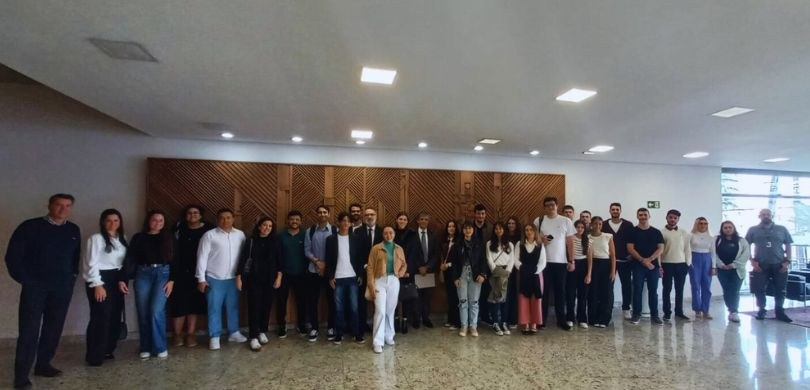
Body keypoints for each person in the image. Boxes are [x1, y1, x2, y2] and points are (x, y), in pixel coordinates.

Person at [6, 194, 81, 389]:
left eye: (67, 206)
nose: (63, 209)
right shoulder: (29, 227)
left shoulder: (73, 230)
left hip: (62, 288)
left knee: (53, 327)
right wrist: (26, 281)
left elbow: (75, 259)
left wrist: (71, 278)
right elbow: (12, 257)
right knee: (29, 330)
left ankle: (43, 364)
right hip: (35, 287)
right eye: (58, 205)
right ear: (49, 206)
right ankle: (21, 375)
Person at [120, 210, 174, 360]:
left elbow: (176, 259)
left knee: (156, 310)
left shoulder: (169, 237)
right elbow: (130, 259)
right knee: (143, 312)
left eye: (161, 220)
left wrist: (172, 280)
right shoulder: (138, 238)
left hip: (163, 274)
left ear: (164, 223)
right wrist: (124, 279)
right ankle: (145, 346)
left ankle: (160, 346)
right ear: (148, 221)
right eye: (154, 220)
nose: (157, 223)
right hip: (142, 274)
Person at [196, 208, 247, 350]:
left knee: (233, 307)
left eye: (229, 217)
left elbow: (244, 257)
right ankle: (215, 336)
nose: (226, 220)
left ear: (233, 219)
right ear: (218, 220)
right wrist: (201, 279)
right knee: (214, 308)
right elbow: (202, 257)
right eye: (222, 218)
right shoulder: (209, 235)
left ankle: (234, 332)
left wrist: (242, 276)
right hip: (214, 278)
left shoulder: (240, 235)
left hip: (234, 278)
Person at [82, 209, 127, 366]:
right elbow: (90, 263)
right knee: (101, 316)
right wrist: (97, 285)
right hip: (100, 279)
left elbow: (123, 263)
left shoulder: (122, 239)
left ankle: (108, 350)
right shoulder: (96, 239)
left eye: (116, 220)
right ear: (102, 221)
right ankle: (94, 356)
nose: (112, 223)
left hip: (117, 280)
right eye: (109, 220)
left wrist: (122, 280)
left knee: (115, 315)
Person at [236, 216, 282, 351]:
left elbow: (280, 261)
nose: (267, 228)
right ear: (259, 226)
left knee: (266, 306)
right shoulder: (251, 241)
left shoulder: (275, 241)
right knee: (254, 307)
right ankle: (253, 336)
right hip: (253, 279)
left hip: (270, 279)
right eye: (264, 225)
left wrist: (279, 277)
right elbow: (243, 259)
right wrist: (239, 277)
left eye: (270, 226)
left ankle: (262, 331)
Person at [169, 205, 213, 348]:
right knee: (179, 303)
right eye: (189, 213)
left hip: (199, 273)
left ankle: (191, 333)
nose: (192, 215)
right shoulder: (178, 228)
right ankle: (177, 334)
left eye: (196, 213)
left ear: (201, 215)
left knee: (194, 304)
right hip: (179, 272)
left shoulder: (208, 230)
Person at [746, 209, 794, 322]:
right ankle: (762, 310)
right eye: (763, 214)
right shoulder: (753, 230)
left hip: (779, 264)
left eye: (768, 214)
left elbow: (788, 245)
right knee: (759, 289)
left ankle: (779, 311)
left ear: (772, 216)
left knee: (781, 289)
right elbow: (745, 246)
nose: (766, 216)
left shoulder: (781, 229)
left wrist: (788, 261)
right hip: (760, 264)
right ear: (759, 216)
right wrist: (752, 261)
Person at [324, 212, 365, 344]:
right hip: (338, 278)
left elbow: (360, 258)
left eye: (348, 221)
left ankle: (356, 333)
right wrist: (330, 277)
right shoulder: (331, 239)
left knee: (354, 307)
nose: (346, 223)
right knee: (338, 308)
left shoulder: (356, 238)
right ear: (339, 222)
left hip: (353, 277)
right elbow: (328, 260)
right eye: (343, 221)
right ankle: (339, 333)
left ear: (351, 224)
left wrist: (360, 274)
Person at [536, 197, 575, 331]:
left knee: (560, 292)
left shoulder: (566, 221)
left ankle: (561, 320)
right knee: (544, 292)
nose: (550, 207)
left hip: (561, 262)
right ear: (544, 207)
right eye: (547, 205)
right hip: (543, 263)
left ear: (557, 205)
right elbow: (533, 239)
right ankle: (541, 320)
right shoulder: (539, 220)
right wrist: (541, 239)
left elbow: (570, 242)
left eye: (552, 205)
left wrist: (571, 260)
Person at [366, 226, 407, 353]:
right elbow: (370, 268)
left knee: (390, 310)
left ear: (394, 234)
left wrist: (399, 274)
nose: (388, 235)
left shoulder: (399, 248)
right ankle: (377, 341)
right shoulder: (376, 248)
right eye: (385, 233)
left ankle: (388, 336)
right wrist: (371, 284)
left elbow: (404, 264)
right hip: (379, 281)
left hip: (394, 281)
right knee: (380, 311)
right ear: (382, 235)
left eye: (390, 233)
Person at [448, 221, 488, 337]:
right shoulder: (457, 245)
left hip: (475, 274)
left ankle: (473, 326)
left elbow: (483, 261)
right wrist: (455, 278)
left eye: (470, 228)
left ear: (473, 230)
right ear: (463, 230)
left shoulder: (479, 244)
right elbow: (454, 263)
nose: (468, 230)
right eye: (465, 228)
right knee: (463, 301)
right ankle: (464, 326)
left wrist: (482, 274)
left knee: (474, 302)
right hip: (462, 274)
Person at [303, 205, 337, 341]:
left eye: (325, 212)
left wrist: (326, 266)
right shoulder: (310, 231)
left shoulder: (335, 230)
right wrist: (317, 262)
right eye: (320, 212)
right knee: (312, 301)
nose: (322, 214)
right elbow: (306, 250)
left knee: (332, 301)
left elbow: (337, 251)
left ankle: (331, 327)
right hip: (313, 270)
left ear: (328, 214)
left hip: (330, 272)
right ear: (317, 214)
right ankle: (314, 328)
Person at [627, 208, 665, 325]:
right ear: (637, 216)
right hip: (638, 265)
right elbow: (630, 248)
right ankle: (636, 314)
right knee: (637, 290)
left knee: (653, 291)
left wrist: (650, 259)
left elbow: (661, 248)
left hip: (653, 266)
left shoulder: (656, 232)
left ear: (649, 216)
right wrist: (642, 260)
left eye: (645, 215)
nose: (643, 217)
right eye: (640, 215)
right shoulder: (632, 231)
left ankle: (655, 316)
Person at [276, 210, 307, 338]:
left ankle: (302, 325)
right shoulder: (280, 235)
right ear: (288, 221)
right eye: (292, 219)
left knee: (302, 301)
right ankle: (281, 326)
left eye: (297, 219)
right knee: (281, 301)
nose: (294, 221)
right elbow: (277, 255)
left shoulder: (305, 235)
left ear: (300, 221)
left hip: (301, 274)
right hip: (284, 274)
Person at [602, 202, 635, 320]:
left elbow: (633, 240)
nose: (615, 211)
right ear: (609, 211)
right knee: (608, 285)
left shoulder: (628, 224)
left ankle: (626, 308)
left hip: (625, 261)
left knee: (626, 285)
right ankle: (608, 308)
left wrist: (631, 254)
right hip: (609, 261)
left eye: (617, 209)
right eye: (613, 209)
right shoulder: (604, 224)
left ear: (620, 211)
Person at [713, 221, 750, 323]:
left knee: (734, 290)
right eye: (725, 228)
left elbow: (746, 255)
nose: (728, 229)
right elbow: (713, 253)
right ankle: (731, 310)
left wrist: (733, 265)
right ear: (722, 229)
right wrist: (721, 265)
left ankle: (734, 311)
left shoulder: (742, 241)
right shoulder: (717, 240)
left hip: (737, 270)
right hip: (722, 270)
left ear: (734, 228)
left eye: (730, 227)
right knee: (727, 290)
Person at [660, 209, 692, 322]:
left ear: (678, 219)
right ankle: (667, 313)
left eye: (675, 218)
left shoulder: (684, 233)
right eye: (670, 217)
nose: (672, 219)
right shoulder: (661, 232)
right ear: (667, 218)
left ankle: (679, 312)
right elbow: (659, 251)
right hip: (666, 265)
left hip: (681, 265)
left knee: (680, 290)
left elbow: (687, 249)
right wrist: (659, 266)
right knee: (667, 289)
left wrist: (688, 264)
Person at [355, 208, 383, 333]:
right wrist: (364, 266)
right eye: (367, 215)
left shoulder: (383, 231)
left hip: (380, 273)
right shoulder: (357, 232)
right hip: (363, 272)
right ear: (364, 217)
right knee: (362, 299)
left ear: (376, 216)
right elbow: (355, 253)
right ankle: (362, 325)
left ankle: (378, 327)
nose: (370, 216)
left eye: (372, 214)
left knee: (379, 299)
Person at [514, 224, 545, 335]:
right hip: (523, 275)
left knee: (536, 299)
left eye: (531, 230)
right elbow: (516, 259)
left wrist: (534, 271)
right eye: (526, 230)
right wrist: (523, 269)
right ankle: (525, 324)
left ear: (535, 231)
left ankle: (534, 324)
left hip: (536, 275)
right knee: (523, 299)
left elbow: (543, 262)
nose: (529, 232)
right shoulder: (520, 244)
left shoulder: (540, 245)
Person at [585, 217, 616, 328]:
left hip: (606, 265)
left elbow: (612, 255)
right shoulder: (587, 237)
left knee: (606, 293)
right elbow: (588, 254)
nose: (598, 226)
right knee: (593, 292)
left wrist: (613, 271)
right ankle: (593, 318)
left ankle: (604, 318)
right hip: (593, 264)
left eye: (600, 224)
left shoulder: (608, 236)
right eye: (595, 224)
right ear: (591, 225)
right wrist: (589, 272)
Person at [485, 222, 515, 335]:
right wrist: (496, 271)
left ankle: (503, 322)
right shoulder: (489, 243)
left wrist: (507, 272)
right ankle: (495, 323)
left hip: (506, 273)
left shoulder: (510, 244)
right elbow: (489, 258)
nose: (498, 231)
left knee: (504, 299)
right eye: (496, 229)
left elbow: (511, 259)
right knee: (495, 298)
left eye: (500, 229)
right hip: (495, 273)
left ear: (504, 230)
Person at [393, 212, 419, 333]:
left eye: (404, 219)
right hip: (394, 271)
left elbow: (415, 255)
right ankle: (396, 321)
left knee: (407, 297)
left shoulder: (413, 234)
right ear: (396, 220)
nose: (402, 221)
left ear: (407, 221)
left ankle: (405, 321)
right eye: (400, 219)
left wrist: (409, 271)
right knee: (394, 297)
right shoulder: (391, 233)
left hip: (408, 271)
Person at [413, 212, 439, 328]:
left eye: (426, 219)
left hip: (429, 271)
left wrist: (427, 267)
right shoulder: (412, 235)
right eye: (421, 219)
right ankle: (416, 320)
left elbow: (436, 254)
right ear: (418, 221)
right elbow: (410, 254)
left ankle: (426, 318)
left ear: (428, 222)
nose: (424, 221)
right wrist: (419, 267)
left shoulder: (433, 235)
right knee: (416, 297)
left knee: (427, 297)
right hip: (416, 271)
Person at [690, 217, 716, 319]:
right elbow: (688, 250)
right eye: (700, 223)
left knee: (706, 286)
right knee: (695, 285)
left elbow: (713, 253)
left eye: (705, 223)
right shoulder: (691, 236)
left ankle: (706, 310)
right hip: (694, 260)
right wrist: (689, 263)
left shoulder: (711, 238)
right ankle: (697, 309)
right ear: (696, 224)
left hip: (707, 260)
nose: (703, 225)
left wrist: (713, 267)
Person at [472, 204, 493, 325]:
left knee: (486, 291)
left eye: (483, 213)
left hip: (487, 263)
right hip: (473, 263)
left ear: (485, 214)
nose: (481, 216)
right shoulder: (469, 226)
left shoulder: (490, 227)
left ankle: (485, 315)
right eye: (478, 213)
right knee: (473, 291)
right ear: (474, 214)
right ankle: (474, 317)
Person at [566, 220, 589, 328]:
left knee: (582, 294)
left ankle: (582, 319)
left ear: (584, 229)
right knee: (570, 293)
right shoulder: (570, 238)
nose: (579, 229)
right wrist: (570, 262)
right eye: (577, 227)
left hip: (584, 265)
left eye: (582, 227)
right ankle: (570, 317)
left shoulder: (588, 239)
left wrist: (589, 273)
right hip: (572, 265)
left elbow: (589, 258)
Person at [439, 220, 461, 329]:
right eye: (449, 226)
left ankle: (457, 322)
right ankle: (450, 319)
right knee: (450, 297)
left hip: (455, 272)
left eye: (453, 226)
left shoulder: (459, 241)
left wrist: (447, 265)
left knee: (456, 297)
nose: (451, 228)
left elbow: (459, 259)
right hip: (447, 273)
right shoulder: (445, 241)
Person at [504, 216, 522, 330]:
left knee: (515, 294)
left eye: (513, 223)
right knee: (506, 294)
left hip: (517, 269)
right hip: (505, 268)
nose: (511, 225)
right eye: (509, 223)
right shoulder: (504, 237)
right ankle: (505, 318)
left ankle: (514, 319)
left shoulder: (520, 237)